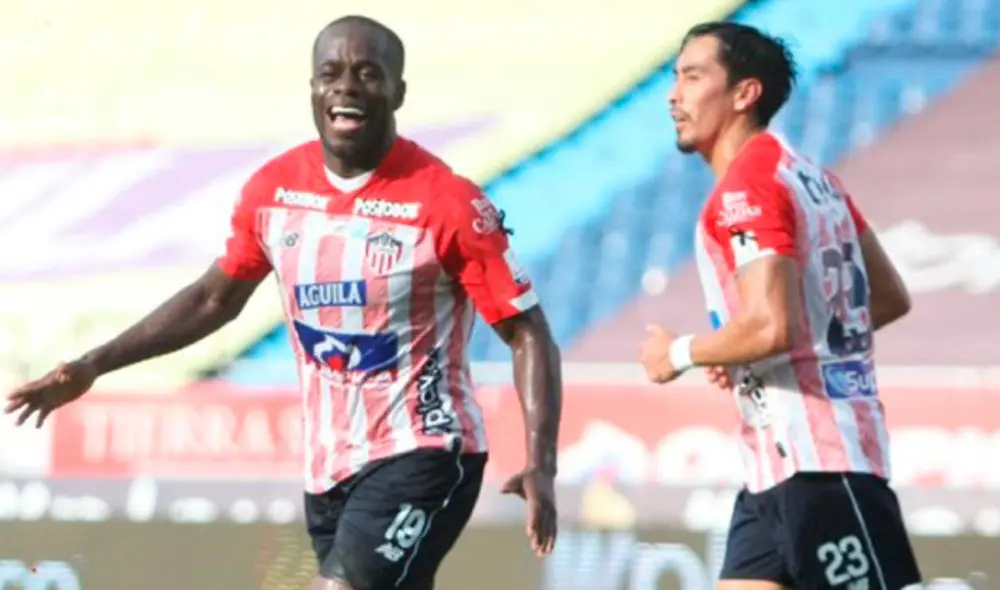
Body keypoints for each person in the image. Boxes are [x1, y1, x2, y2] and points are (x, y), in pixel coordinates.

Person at [5, 15, 562, 590]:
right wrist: (93, 364)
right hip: (327, 470)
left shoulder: (446, 202)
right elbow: (211, 299)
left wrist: (541, 462)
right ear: (314, 90)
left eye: (368, 74)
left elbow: (528, 331)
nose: (347, 86)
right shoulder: (274, 192)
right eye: (332, 73)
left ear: (398, 92)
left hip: (423, 451)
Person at [637, 22, 922, 590]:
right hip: (774, 467)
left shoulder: (750, 188)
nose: (674, 94)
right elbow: (885, 297)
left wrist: (682, 352)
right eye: (675, 78)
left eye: (694, 77)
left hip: (820, 461)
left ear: (744, 94)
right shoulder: (814, 178)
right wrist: (742, 347)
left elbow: (773, 326)